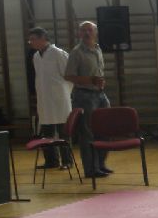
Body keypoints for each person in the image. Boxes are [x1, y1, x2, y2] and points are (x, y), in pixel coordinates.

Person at [64, 21, 112, 178]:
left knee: (105, 129)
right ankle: (91, 169)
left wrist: (99, 82)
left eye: (90, 30)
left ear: (95, 32)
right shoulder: (76, 52)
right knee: (88, 133)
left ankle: (101, 164)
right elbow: (69, 76)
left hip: (100, 94)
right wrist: (91, 80)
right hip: (84, 95)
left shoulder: (98, 49)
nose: (87, 33)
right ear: (79, 33)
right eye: (83, 30)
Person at [27, 27, 74, 169]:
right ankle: (51, 161)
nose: (30, 42)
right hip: (44, 99)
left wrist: (64, 92)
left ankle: (67, 161)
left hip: (60, 99)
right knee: (46, 132)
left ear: (43, 38)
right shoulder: (36, 56)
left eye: (33, 39)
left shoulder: (58, 53)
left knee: (63, 132)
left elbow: (69, 75)